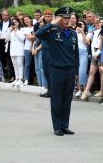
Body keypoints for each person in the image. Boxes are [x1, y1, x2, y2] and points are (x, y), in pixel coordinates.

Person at [35, 7, 79, 136]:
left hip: (70, 70)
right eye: (64, 18)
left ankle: (65, 125)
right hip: (57, 70)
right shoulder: (52, 32)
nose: (67, 20)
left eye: (68, 18)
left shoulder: (73, 34)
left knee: (67, 99)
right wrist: (51, 23)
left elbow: (75, 54)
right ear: (58, 19)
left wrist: (76, 71)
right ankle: (57, 127)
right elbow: (38, 34)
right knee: (56, 99)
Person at [6, 18, 25, 87]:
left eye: (16, 22)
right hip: (12, 50)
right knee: (15, 65)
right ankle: (16, 78)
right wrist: (9, 31)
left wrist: (16, 30)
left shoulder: (22, 29)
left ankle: (20, 79)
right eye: (13, 23)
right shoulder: (11, 30)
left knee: (20, 64)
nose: (14, 24)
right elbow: (7, 39)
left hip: (19, 50)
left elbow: (22, 39)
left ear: (19, 23)